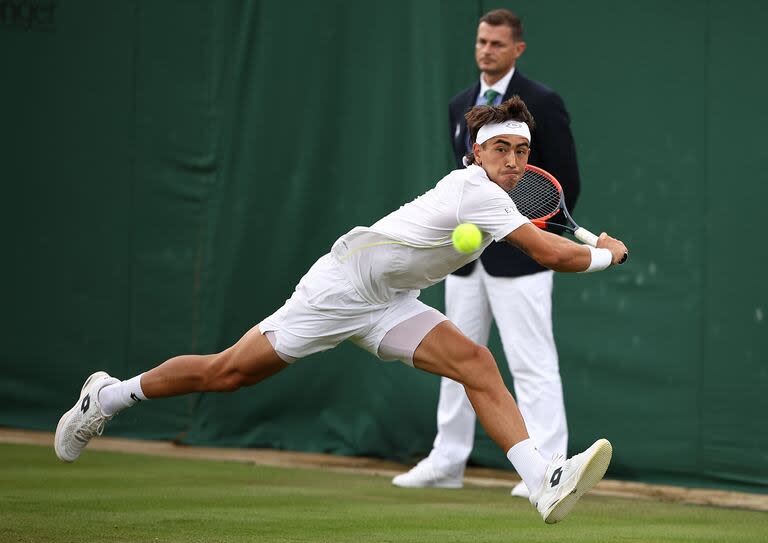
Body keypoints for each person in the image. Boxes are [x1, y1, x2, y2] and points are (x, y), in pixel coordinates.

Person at [55, 97, 628, 524]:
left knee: (475, 363)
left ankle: (541, 481)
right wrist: (603, 255)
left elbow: (548, 248)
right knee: (226, 373)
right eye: (499, 148)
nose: (511, 159)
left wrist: (589, 250)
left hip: (391, 302)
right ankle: (106, 395)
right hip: (338, 290)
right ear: (476, 152)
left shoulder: (502, 197)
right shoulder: (474, 190)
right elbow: (550, 251)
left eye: (521, 151)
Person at [392, 9, 579, 499]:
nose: (486, 50)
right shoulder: (461, 104)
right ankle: (447, 459)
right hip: (466, 259)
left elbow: (564, 183)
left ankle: (548, 466)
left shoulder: (543, 103)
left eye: (497, 44)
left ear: (517, 49)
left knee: (531, 363)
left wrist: (527, 235)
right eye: (481, 41)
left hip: (521, 259)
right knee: (456, 360)